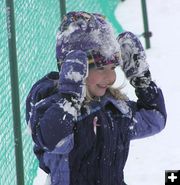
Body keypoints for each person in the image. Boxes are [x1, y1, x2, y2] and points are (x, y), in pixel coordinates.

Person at [26, 11, 167, 185]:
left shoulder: (113, 109)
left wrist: (143, 81)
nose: (111, 78)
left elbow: (154, 119)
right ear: (76, 68)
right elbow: (53, 140)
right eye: (101, 68)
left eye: (114, 67)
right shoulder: (53, 105)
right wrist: (70, 97)